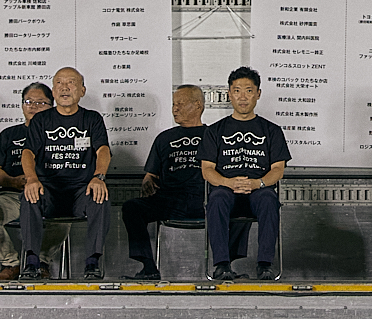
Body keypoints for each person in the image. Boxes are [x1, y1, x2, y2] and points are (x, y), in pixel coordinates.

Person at [18, 68, 112, 279]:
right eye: (59, 83)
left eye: (71, 83)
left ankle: (92, 262)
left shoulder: (92, 119)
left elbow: (103, 150)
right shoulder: (41, 120)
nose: (65, 87)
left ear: (82, 90)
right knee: (29, 195)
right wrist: (31, 179)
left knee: (100, 197)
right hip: (49, 189)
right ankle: (32, 262)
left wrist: (99, 177)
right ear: (53, 90)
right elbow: (28, 152)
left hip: (81, 190)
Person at [202, 67, 291, 281]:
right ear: (229, 93)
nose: (243, 97)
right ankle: (222, 265)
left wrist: (257, 183)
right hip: (227, 189)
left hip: (258, 190)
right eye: (237, 91)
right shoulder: (215, 130)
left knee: (270, 199)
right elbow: (207, 169)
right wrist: (228, 182)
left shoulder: (272, 130)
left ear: (258, 94)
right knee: (216, 198)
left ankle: (265, 265)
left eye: (249, 91)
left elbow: (278, 169)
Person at [122, 85, 209, 280]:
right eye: (173, 104)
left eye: (180, 103)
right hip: (169, 200)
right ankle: (148, 267)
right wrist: (148, 180)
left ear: (197, 105)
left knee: (240, 203)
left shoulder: (213, 136)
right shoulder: (164, 138)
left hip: (203, 201)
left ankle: (226, 266)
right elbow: (151, 174)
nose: (175, 108)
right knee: (132, 207)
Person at [0, 82, 55, 279]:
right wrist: (12, 181)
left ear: (52, 106)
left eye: (41, 102)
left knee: (65, 212)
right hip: (12, 196)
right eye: (28, 101)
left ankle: (41, 261)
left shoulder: (59, 134)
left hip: (48, 196)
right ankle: (11, 263)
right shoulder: (9, 134)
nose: (33, 106)